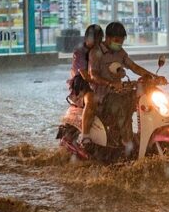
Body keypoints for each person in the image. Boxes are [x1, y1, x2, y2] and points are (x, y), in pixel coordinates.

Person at [88, 21, 164, 150]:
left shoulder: (120, 52)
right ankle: (127, 143)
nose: (119, 44)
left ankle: (145, 136)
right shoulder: (96, 52)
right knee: (122, 106)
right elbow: (92, 75)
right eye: (117, 40)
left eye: (121, 41)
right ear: (108, 37)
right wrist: (110, 84)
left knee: (145, 98)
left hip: (120, 92)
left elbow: (133, 67)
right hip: (103, 97)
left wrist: (154, 77)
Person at [67, 24, 104, 151]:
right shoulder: (80, 51)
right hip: (82, 84)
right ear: (87, 38)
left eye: (99, 40)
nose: (97, 43)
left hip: (98, 82)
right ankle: (85, 136)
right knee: (91, 100)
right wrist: (106, 81)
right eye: (95, 40)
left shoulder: (101, 50)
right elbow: (85, 75)